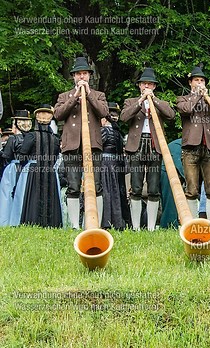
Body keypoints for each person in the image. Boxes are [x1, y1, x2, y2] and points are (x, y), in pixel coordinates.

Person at [54, 56, 108, 229]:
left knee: (96, 185)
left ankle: (94, 225)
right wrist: (75, 96)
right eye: (78, 74)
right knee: (73, 185)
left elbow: (103, 112)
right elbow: (58, 115)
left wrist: (89, 94)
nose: (82, 77)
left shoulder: (99, 95)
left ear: (89, 76)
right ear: (73, 77)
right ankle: (74, 225)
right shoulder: (64, 96)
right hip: (72, 146)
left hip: (93, 145)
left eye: (84, 74)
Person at [121, 67, 176, 231]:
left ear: (154, 87)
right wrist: (141, 101)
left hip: (154, 145)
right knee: (136, 187)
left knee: (153, 187)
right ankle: (136, 226)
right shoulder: (131, 102)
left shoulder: (161, 103)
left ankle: (152, 227)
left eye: (150, 84)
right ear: (139, 86)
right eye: (144, 84)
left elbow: (171, 115)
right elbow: (124, 117)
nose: (147, 87)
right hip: (136, 146)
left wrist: (154, 101)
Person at [176, 64, 210, 224]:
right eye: (196, 80)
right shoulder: (183, 99)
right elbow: (186, 110)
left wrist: (208, 99)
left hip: (209, 147)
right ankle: (192, 223)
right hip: (190, 148)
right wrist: (197, 96)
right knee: (192, 189)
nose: (200, 83)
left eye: (202, 80)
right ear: (190, 83)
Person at [18, 105, 63, 227]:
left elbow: (22, 155)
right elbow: (55, 158)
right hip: (50, 171)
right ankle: (51, 223)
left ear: (37, 118)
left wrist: (24, 165)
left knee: (32, 196)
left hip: (33, 170)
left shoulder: (31, 136)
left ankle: (31, 220)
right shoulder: (55, 138)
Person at [100, 102, 131, 230]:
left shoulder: (104, 131)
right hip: (117, 165)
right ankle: (118, 221)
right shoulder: (118, 132)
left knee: (106, 191)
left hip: (105, 164)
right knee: (116, 192)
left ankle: (106, 221)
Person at [0, 110, 32, 226]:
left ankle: (6, 220)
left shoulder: (12, 139)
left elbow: (6, 156)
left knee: (7, 194)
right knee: (22, 193)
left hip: (13, 168)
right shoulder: (31, 138)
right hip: (26, 169)